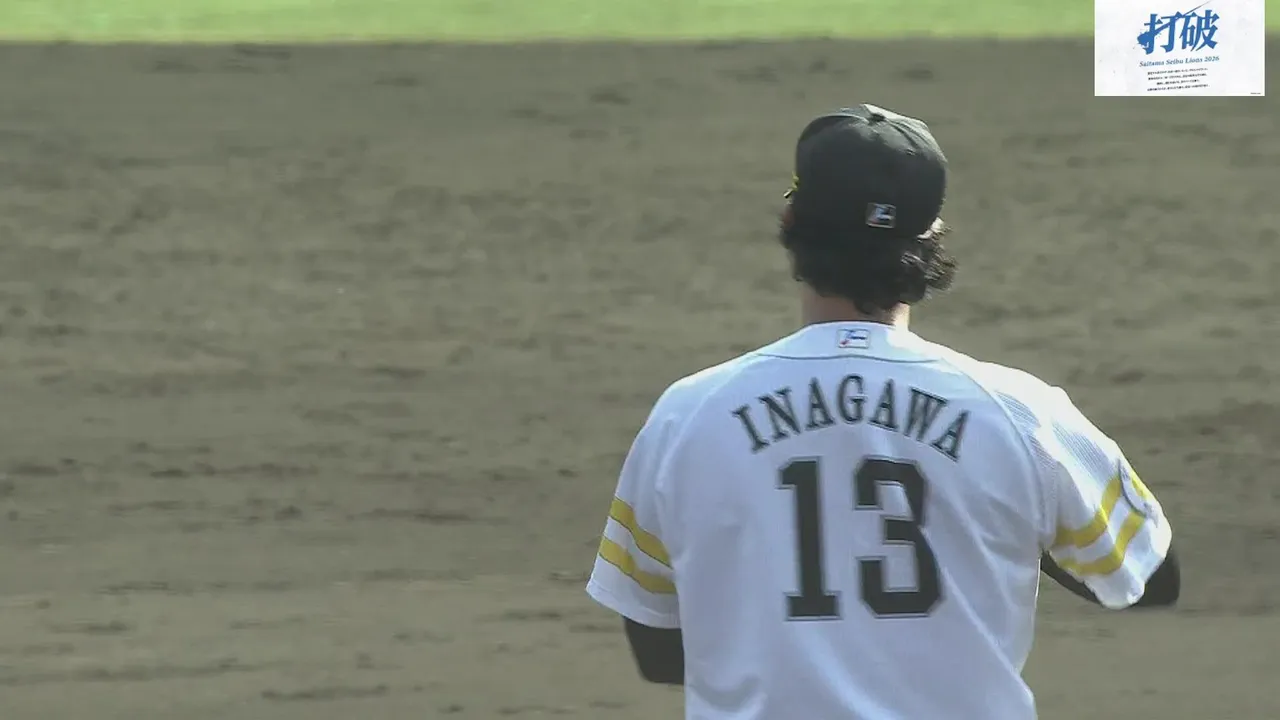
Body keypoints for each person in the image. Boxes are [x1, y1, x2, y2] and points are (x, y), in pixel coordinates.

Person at [584, 103, 1180, 719]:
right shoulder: (1021, 414)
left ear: (792, 221)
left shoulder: (688, 416)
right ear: (931, 238)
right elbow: (1152, 578)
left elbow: (657, 651)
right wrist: (1023, 527)